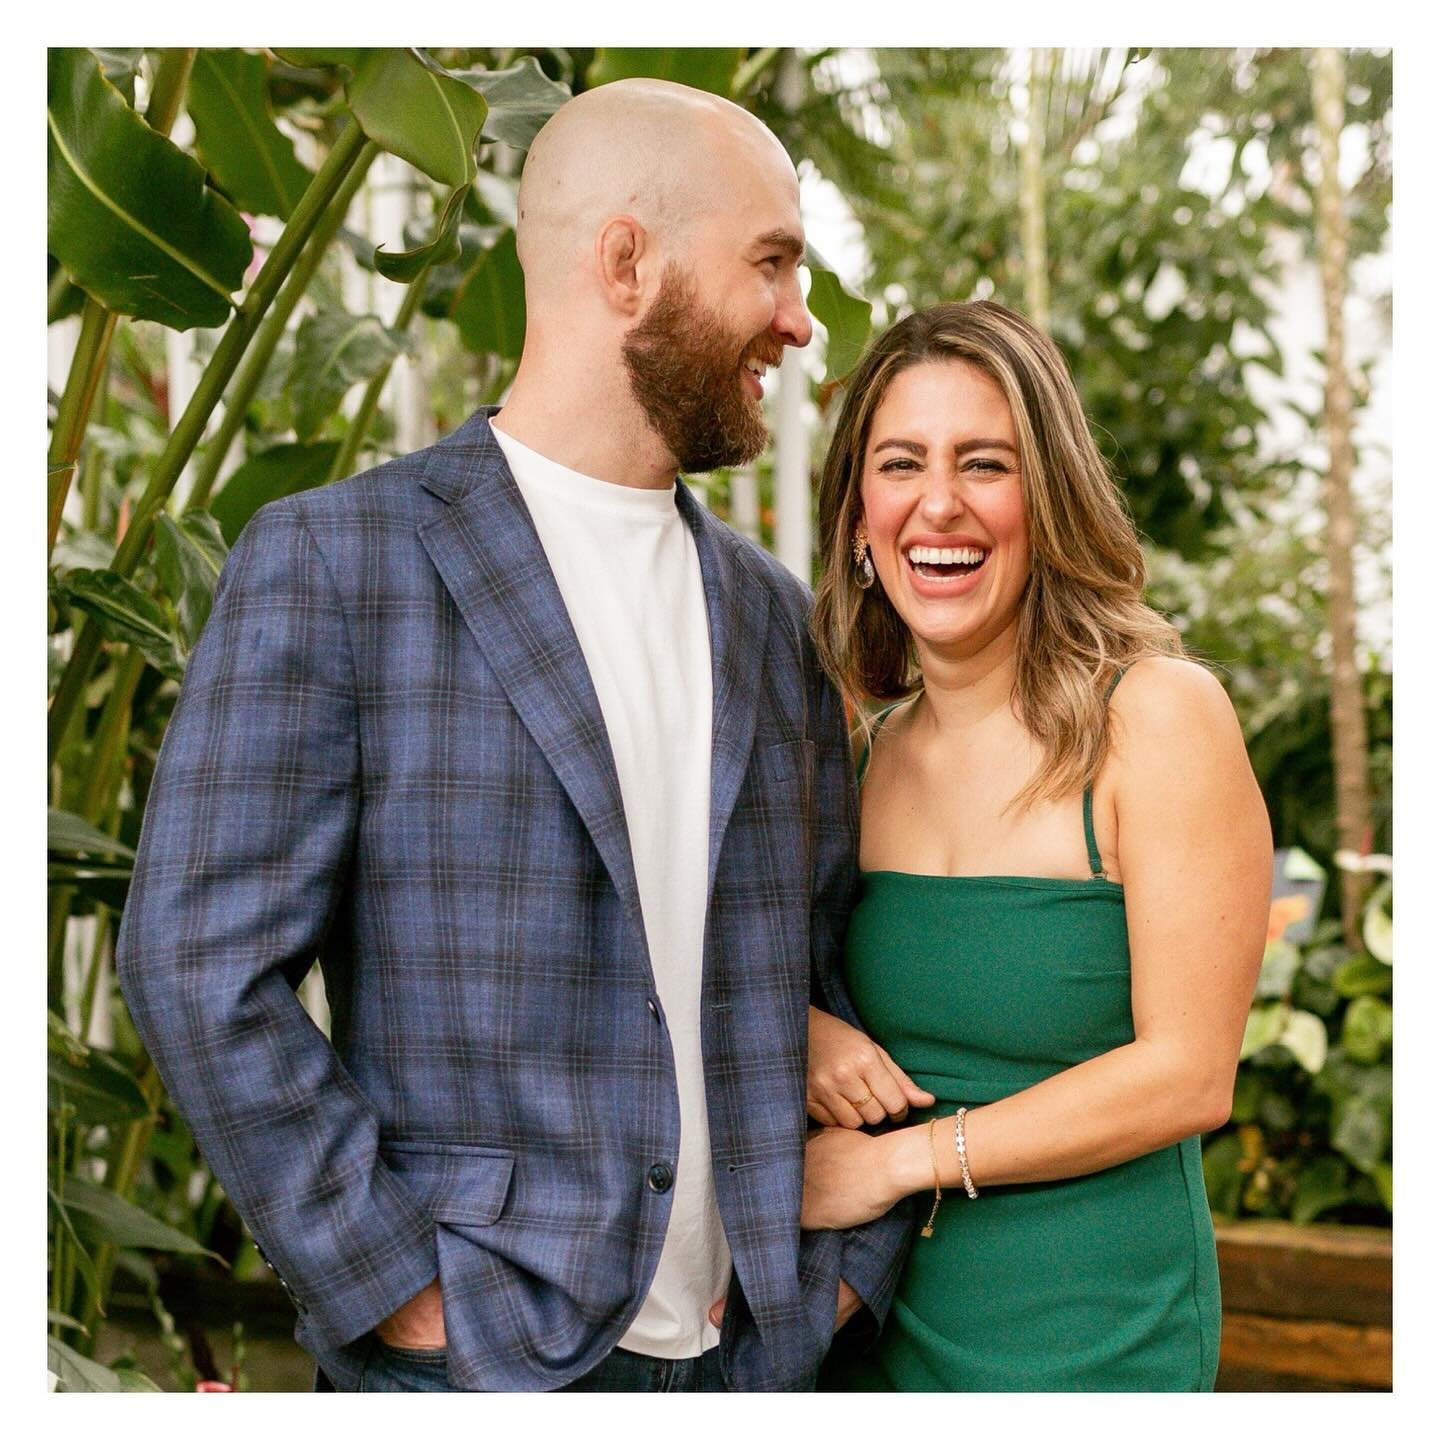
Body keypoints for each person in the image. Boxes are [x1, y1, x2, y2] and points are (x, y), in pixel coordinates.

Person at [115, 78, 910, 1394]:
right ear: (626, 261)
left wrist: (836, 1278)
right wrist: (398, 1290)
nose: (799, 318)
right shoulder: (338, 563)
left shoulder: (772, 616)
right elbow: (197, 963)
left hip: (752, 1358)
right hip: (476, 1366)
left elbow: (833, 964)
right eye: (771, 263)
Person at [800, 300, 1272, 1391]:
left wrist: (897, 1164)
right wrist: (807, 1025)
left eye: (986, 464)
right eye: (902, 463)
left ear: (1047, 497)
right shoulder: (859, 758)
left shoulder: (1156, 717)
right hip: (879, 1334)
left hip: (1097, 1334)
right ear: (859, 515)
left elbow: (1189, 1075)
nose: (939, 505)